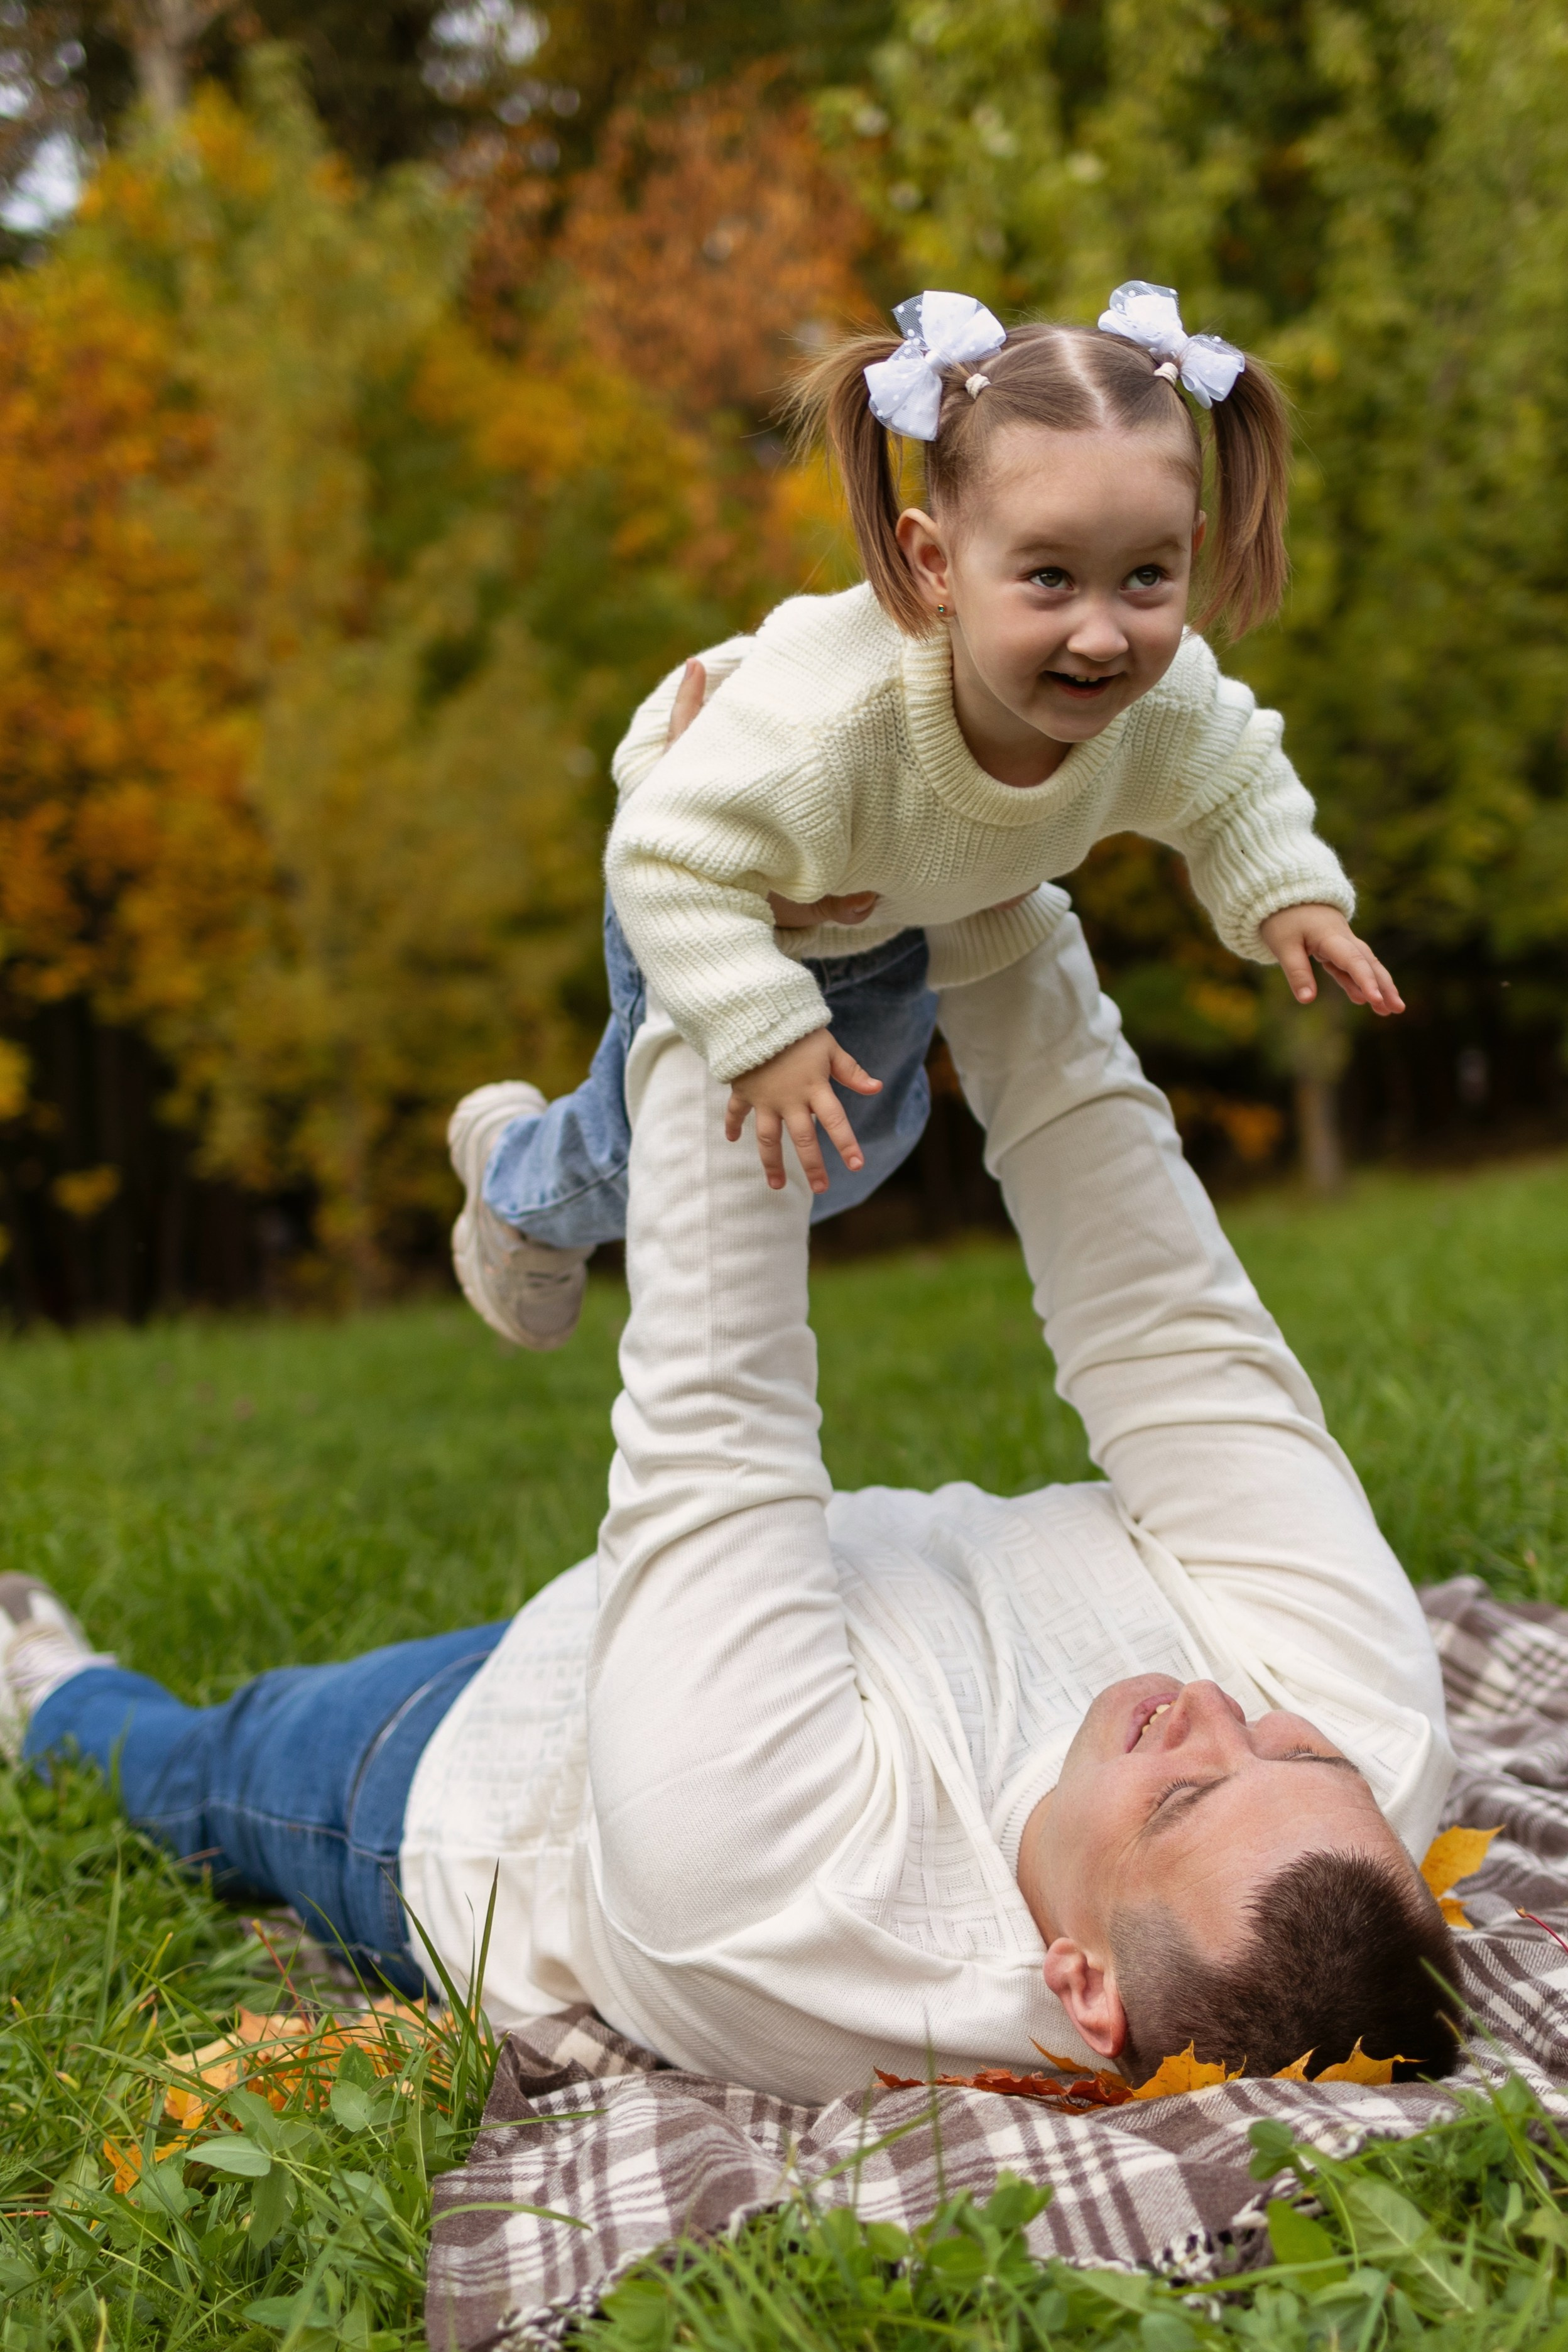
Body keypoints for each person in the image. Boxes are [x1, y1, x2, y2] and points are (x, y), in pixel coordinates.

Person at [1, 912, 1460, 2099]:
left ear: (1078, 1984)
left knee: (211, 1762)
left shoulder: (786, 1889)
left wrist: (747, 913)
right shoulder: (1368, 1746)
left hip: (480, 1778)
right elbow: (1167, 1323)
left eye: (1187, 1791)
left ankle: (43, 1690)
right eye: (1294, 1745)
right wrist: (996, 885)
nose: (1223, 1708)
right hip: (767, 1622)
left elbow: (720, 1391)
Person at [450, 281, 1404, 1355]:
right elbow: (668, 860)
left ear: (1190, 546)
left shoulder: (1165, 695)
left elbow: (1236, 777)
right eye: (1049, 578)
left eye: (1145, 576)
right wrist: (765, 1024)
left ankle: (546, 1167)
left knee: (871, 1138)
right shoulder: (831, 732)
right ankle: (516, 1186)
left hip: (897, 881)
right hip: (724, 866)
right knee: (687, 1157)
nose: (1101, 634)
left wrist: (1289, 896)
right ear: (936, 563)